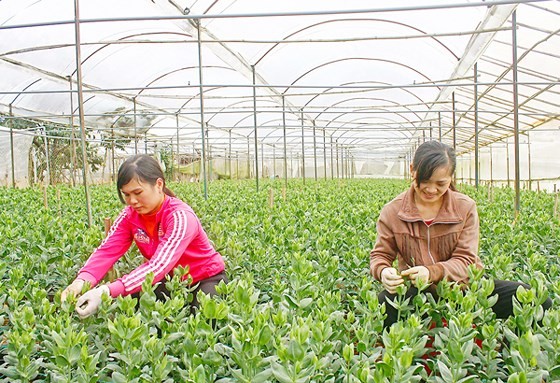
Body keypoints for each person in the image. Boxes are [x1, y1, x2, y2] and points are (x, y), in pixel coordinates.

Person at [370, 140, 552, 329]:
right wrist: (383, 271)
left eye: (441, 183)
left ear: (451, 177)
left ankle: (513, 348)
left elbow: (466, 260)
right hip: (417, 292)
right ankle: (398, 352)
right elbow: (380, 255)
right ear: (412, 170)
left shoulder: (465, 207)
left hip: (462, 288)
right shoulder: (393, 211)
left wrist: (432, 272)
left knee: (537, 301)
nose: (431, 190)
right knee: (382, 305)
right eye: (424, 180)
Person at [61, 154, 226, 319]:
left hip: (204, 279)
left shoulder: (180, 216)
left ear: (159, 184)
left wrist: (107, 290)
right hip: (168, 280)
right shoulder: (129, 216)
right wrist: (81, 282)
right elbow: (107, 250)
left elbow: (158, 266)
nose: (132, 200)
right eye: (126, 195)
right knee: (135, 314)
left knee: (205, 321)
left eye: (138, 192)